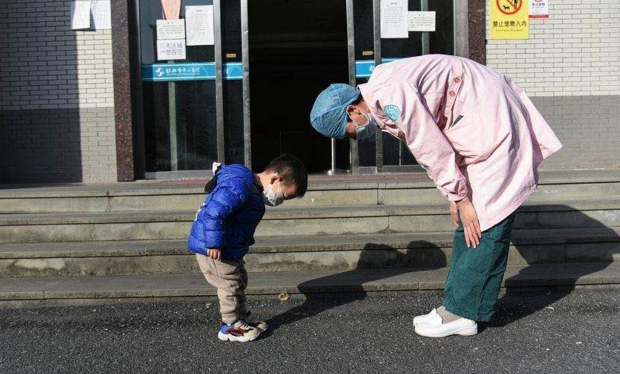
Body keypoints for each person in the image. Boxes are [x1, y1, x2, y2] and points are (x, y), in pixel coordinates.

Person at [310, 54, 562, 338]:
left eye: (350, 131)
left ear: (352, 110)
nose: (356, 137)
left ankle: (467, 313)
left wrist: (461, 198)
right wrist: (454, 196)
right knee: (469, 221)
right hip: (478, 117)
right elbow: (433, 145)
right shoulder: (383, 96)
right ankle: (456, 304)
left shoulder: (392, 96)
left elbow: (429, 146)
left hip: (490, 121)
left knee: (485, 220)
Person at [187, 154, 308, 342]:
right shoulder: (240, 185)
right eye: (284, 196)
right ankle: (230, 325)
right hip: (214, 247)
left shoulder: (248, 187)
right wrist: (214, 242)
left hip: (227, 245)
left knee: (239, 279)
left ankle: (240, 318)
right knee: (229, 283)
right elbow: (214, 212)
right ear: (276, 179)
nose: (280, 200)